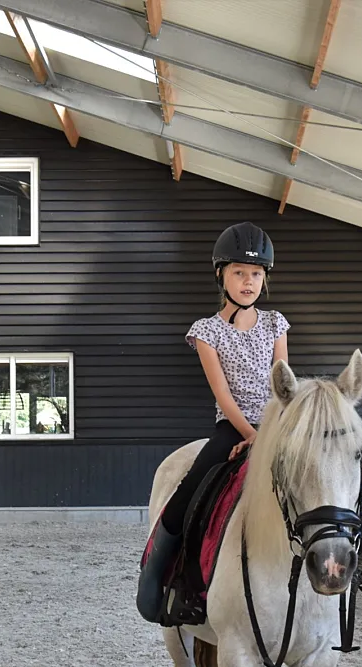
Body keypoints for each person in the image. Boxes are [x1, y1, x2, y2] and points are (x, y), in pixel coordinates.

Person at [136, 222, 288, 623]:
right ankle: (162, 577)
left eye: (256, 274)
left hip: (276, 422)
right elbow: (223, 395)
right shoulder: (207, 332)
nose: (249, 281)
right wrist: (252, 436)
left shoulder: (276, 324)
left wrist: (271, 433)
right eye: (239, 272)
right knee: (190, 491)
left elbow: (283, 381)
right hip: (234, 426)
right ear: (221, 275)